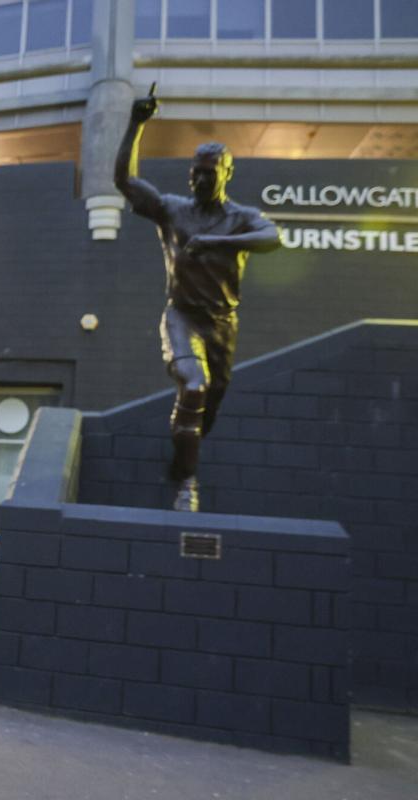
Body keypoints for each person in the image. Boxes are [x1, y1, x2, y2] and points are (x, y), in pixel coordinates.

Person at [114, 89, 281, 512]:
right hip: (181, 316)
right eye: (197, 172)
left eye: (211, 172)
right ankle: (187, 485)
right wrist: (137, 124)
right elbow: (125, 181)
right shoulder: (172, 210)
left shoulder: (241, 217)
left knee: (207, 411)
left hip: (222, 324)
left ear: (227, 173)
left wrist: (216, 241)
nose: (202, 179)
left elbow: (272, 238)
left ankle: (180, 459)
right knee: (194, 387)